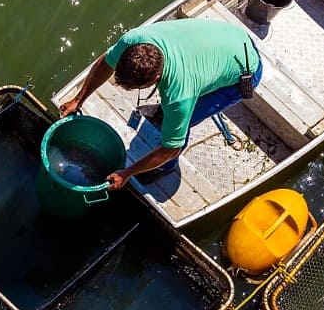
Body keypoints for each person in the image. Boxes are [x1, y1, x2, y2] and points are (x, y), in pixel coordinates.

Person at [59, 18, 262, 191]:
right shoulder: (133, 39)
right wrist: (78, 100)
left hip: (245, 69)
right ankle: (164, 116)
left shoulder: (178, 95)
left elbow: (171, 148)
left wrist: (128, 173)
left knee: (185, 120)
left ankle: (165, 168)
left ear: (156, 78)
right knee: (173, 114)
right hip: (230, 37)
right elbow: (106, 62)